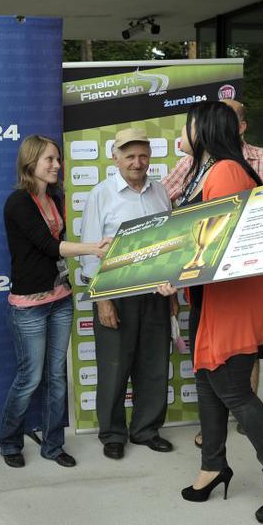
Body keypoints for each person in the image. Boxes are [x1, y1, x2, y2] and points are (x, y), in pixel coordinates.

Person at [158, 101, 263, 523]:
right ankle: (213, 466)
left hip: (232, 296)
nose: (181, 133)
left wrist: (176, 275)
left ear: (203, 130)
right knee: (207, 381)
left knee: (233, 388)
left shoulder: (224, 171)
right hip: (213, 295)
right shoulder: (208, 169)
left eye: (187, 126)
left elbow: (215, 243)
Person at [0, 135, 110, 469]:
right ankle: (9, 442)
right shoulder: (18, 203)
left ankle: (52, 445)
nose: (57, 165)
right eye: (49, 159)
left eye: (58, 159)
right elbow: (49, 247)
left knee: (57, 378)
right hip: (29, 307)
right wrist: (92, 248)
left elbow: (55, 249)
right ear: (30, 161)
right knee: (30, 379)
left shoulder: (55, 197)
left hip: (61, 299)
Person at [80, 128, 176, 460]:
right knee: (114, 368)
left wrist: (171, 295)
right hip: (116, 295)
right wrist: (103, 300)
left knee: (154, 366)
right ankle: (112, 434)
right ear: (116, 158)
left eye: (143, 156)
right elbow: (91, 253)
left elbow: (170, 244)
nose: (137, 162)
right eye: (130, 156)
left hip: (155, 293)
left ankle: (146, 430)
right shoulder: (101, 194)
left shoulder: (160, 191)